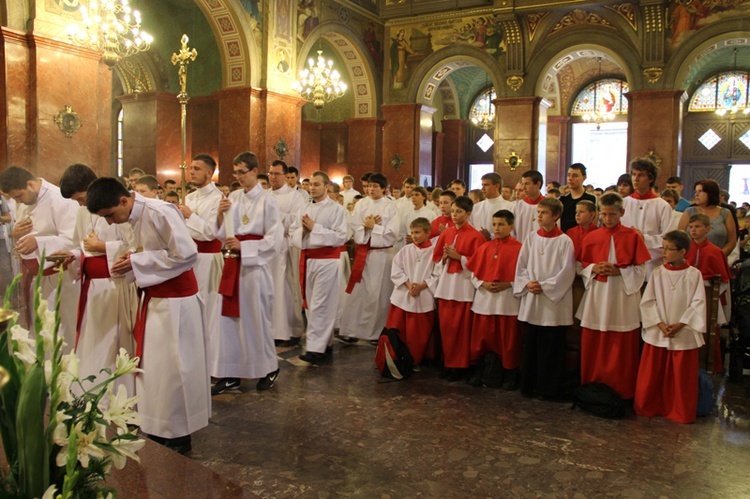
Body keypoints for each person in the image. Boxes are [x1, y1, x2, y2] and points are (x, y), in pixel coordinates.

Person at [86, 177, 209, 454]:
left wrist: (137, 261)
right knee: (155, 368)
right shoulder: (129, 217)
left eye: (109, 215)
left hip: (178, 302)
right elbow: (142, 251)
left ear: (123, 200)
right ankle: (158, 425)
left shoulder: (160, 212)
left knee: (176, 368)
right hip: (156, 299)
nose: (108, 223)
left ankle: (179, 434)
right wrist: (128, 259)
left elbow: (188, 254)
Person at [57, 164, 137, 390]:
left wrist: (103, 247)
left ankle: (117, 393)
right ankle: (89, 390)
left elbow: (135, 247)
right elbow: (79, 246)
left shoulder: (114, 207)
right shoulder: (82, 213)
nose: (81, 204)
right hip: (92, 288)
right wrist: (70, 255)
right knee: (92, 342)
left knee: (113, 345)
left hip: (115, 286)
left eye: (81, 198)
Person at [214, 152, 283, 394]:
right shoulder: (232, 197)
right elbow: (222, 233)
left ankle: (269, 367)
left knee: (256, 318)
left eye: (242, 172)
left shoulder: (268, 200)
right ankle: (231, 373)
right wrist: (220, 215)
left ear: (255, 171)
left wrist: (246, 247)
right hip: (233, 264)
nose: (238, 177)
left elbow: (275, 239)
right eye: (235, 173)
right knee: (229, 321)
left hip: (254, 268)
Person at [576, 193, 651, 399]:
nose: (608, 219)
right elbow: (581, 266)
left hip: (621, 296)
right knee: (595, 339)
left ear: (622, 213)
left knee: (621, 342)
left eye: (612, 214)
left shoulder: (633, 236)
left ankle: (622, 390)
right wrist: (594, 268)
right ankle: (592, 387)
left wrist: (620, 271)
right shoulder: (591, 237)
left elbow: (641, 269)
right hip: (598, 294)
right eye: (604, 214)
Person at [0, 166, 79, 345]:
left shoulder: (60, 200)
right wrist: (16, 233)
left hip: (59, 276)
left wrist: (39, 242)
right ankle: (42, 368)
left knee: (58, 327)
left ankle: (61, 368)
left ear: (30, 184)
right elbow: (22, 237)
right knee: (40, 325)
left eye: (19, 196)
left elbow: (73, 240)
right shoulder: (25, 201)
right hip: (34, 275)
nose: (18, 201)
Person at [634, 230, 706, 424]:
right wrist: (659, 323)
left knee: (681, 377)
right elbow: (648, 302)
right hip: (659, 329)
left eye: (669, 249)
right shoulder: (657, 273)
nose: (664, 253)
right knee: (652, 373)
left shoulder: (694, 275)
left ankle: (679, 410)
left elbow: (698, 303)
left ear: (683, 251)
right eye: (663, 248)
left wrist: (680, 324)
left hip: (682, 331)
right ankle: (649, 406)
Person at [513, 198, 575, 400]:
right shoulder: (531, 237)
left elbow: (567, 272)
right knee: (531, 344)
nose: (538, 216)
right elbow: (521, 265)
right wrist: (527, 283)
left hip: (552, 302)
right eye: (538, 212)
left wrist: (546, 286)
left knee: (552, 347)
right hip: (533, 296)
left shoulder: (565, 241)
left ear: (556, 216)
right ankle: (529, 385)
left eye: (544, 213)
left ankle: (549, 389)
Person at [290, 171, 348, 365]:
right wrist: (303, 231)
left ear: (326, 187)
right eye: (311, 184)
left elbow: (341, 236)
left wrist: (315, 228)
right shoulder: (304, 207)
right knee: (310, 304)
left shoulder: (336, 209)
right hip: (307, 260)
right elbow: (292, 233)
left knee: (321, 304)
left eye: (316, 184)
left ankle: (316, 348)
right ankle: (326, 342)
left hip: (327, 261)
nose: (312, 188)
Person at [177, 154, 224, 377]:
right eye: (191, 168)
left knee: (209, 311)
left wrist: (190, 216)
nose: (191, 172)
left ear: (209, 172)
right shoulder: (190, 197)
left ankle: (212, 365)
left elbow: (210, 233)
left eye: (197, 169)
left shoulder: (218, 199)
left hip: (208, 259)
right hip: (189, 259)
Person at [339, 173, 400, 343]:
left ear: (384, 188)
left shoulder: (390, 207)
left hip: (382, 255)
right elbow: (355, 226)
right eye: (369, 186)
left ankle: (375, 332)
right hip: (364, 253)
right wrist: (366, 228)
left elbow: (393, 233)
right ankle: (352, 330)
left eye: (375, 186)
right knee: (358, 292)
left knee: (378, 294)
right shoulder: (362, 204)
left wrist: (375, 228)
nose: (371, 189)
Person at [466, 209, 523, 389]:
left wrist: (509, 284)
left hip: (507, 302)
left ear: (511, 226)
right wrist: (483, 283)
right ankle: (480, 371)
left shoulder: (520, 249)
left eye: (501, 225)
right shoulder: (485, 247)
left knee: (508, 341)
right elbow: (473, 274)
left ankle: (509, 375)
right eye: (494, 224)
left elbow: (525, 275)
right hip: (485, 301)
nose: (496, 229)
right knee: (482, 339)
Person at [432, 196, 486, 381]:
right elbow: (436, 259)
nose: (454, 215)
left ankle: (460, 365)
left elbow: (479, 264)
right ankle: (447, 362)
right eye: (453, 211)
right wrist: (444, 259)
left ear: (469, 213)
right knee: (446, 327)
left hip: (463, 287)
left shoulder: (476, 236)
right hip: (446, 284)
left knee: (460, 329)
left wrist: (460, 257)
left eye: (459, 212)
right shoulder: (445, 234)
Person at [385, 217, 439, 369]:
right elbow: (396, 269)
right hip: (403, 295)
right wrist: (408, 285)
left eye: (418, 232)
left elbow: (437, 273)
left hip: (423, 295)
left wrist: (422, 286)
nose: (414, 236)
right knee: (398, 329)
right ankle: (395, 357)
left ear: (428, 232)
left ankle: (414, 360)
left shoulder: (434, 252)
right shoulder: (406, 250)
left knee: (418, 335)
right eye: (412, 232)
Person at [268, 160, 307, 346]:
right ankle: (270, 329)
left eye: (276, 174)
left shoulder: (295, 196)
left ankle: (290, 330)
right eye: (270, 173)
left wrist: (276, 217)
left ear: (285, 175)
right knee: (269, 288)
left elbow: (296, 221)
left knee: (286, 288)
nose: (273, 177)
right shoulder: (264, 195)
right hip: (266, 249)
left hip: (285, 246)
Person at [685, 213, 731, 368]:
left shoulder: (715, 251)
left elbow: (723, 281)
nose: (693, 230)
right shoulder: (684, 248)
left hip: (707, 295)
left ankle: (707, 363)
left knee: (707, 330)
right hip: (686, 294)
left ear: (708, 229)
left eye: (697, 227)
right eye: (691, 227)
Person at [621, 158, 673, 279]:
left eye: (641, 175)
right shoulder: (623, 203)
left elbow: (668, 239)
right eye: (633, 174)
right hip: (627, 264)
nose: (635, 178)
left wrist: (644, 238)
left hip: (652, 265)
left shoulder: (662, 206)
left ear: (651, 178)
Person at [678, 179, 737, 258]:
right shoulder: (689, 211)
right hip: (691, 258)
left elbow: (731, 241)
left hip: (717, 258)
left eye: (700, 191)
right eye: (696, 191)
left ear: (711, 193)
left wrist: (718, 256)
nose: (696, 194)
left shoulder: (725, 213)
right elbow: (680, 237)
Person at [470, 172, 514, 241]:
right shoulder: (476, 207)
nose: (482, 189)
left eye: (486, 185)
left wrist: (491, 236)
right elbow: (470, 228)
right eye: (482, 185)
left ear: (497, 186)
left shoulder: (510, 207)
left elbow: (512, 231)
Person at [559, 163, 597, 233]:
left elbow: (594, 222)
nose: (570, 178)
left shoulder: (591, 198)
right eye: (568, 175)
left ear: (584, 178)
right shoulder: (562, 199)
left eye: (575, 176)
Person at [514, 170, 545, 244]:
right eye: (523, 184)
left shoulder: (549, 205)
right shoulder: (518, 206)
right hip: (521, 245)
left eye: (527, 184)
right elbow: (513, 230)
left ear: (538, 184)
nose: (523, 187)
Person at [565, 200, 598, 265]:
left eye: (581, 212)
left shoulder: (597, 233)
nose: (577, 215)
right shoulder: (570, 232)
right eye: (576, 212)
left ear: (592, 214)